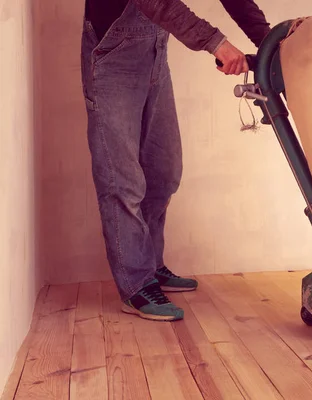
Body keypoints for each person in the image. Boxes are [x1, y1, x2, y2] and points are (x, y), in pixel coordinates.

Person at [80, 0, 271, 321]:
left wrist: (268, 42)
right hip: (111, 60)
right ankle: (136, 284)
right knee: (121, 182)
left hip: (154, 56)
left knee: (164, 172)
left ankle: (150, 265)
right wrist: (216, 44)